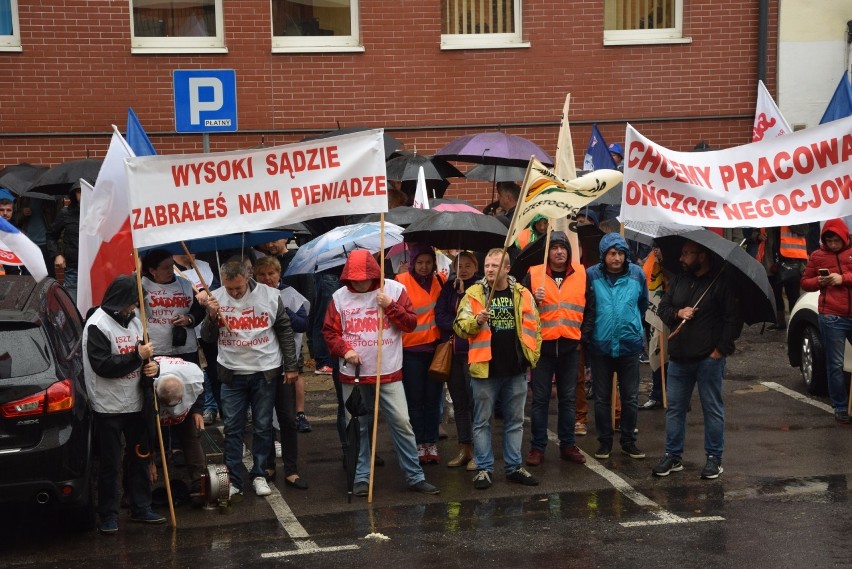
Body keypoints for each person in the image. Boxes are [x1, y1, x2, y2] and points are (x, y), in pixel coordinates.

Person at [322, 250, 440, 496]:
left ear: (374, 274)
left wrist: (391, 306)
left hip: (388, 371)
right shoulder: (339, 297)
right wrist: (345, 351)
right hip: (353, 373)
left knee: (402, 423)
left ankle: (414, 476)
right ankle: (362, 477)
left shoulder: (393, 290)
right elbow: (330, 333)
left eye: (364, 278)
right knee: (359, 426)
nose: (359, 282)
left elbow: (410, 324)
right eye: (354, 278)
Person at [201, 260, 300, 498]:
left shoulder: (270, 295)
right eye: (229, 288)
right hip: (232, 372)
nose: (234, 293)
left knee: (263, 426)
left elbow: (285, 330)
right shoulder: (215, 298)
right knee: (233, 427)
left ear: (247, 278)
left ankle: (259, 474)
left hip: (264, 370)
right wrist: (212, 316)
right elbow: (207, 338)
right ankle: (234, 479)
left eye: (238, 288)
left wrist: (291, 366)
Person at [82, 274, 165, 533]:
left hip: (136, 402)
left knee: (140, 457)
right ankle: (108, 514)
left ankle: (141, 507)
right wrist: (137, 356)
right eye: (131, 303)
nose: (134, 308)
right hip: (108, 406)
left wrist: (154, 367)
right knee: (110, 463)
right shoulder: (97, 325)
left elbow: (145, 358)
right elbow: (103, 366)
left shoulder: (135, 321)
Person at [454, 249, 541, 490]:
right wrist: (476, 321)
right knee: (482, 422)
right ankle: (484, 469)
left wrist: (531, 357)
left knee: (515, 421)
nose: (490, 269)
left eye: (495, 265)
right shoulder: (474, 293)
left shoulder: (522, 293)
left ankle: (514, 467)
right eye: (487, 265)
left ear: (507, 268)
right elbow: (460, 327)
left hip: (515, 369)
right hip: (485, 370)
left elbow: (536, 326)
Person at [653, 239, 741, 478]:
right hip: (679, 358)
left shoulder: (720, 283)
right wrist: (677, 313)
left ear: (702, 256)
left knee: (712, 409)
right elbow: (663, 308)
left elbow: (733, 320)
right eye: (681, 253)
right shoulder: (680, 278)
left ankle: (714, 458)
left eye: (687, 253)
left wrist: (720, 351)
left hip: (707, 359)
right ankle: (673, 456)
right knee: (675, 410)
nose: (682, 258)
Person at [522, 231, 587, 466]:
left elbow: (590, 308)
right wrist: (531, 296)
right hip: (543, 348)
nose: (559, 251)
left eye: (563, 248)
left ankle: (567, 445)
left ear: (569, 251)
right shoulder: (533, 274)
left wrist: (582, 337)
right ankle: (537, 448)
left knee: (568, 399)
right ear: (547, 252)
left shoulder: (581, 274)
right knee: (540, 400)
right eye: (555, 248)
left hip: (570, 347)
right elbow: (521, 308)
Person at [582, 233, 648, 461]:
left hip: (629, 345)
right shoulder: (591, 275)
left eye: (621, 253)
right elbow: (587, 305)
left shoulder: (637, 274)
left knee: (630, 397)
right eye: (612, 253)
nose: (617, 258)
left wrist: (633, 326)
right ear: (604, 255)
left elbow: (642, 304)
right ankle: (604, 442)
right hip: (601, 345)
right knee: (601, 398)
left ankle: (629, 441)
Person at [254, 255, 310, 489]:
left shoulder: (291, 295)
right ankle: (267, 465)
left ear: (279, 274)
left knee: (287, 418)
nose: (267, 278)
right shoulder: (251, 295)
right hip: (260, 366)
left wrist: (283, 311)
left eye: (271, 274)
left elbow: (303, 324)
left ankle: (291, 469)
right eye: (262, 275)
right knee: (263, 419)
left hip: (285, 366)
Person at [394, 244, 444, 464]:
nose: (424, 267)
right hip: (411, 351)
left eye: (428, 262)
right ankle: (417, 443)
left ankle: (430, 442)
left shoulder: (441, 281)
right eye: (420, 262)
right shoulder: (400, 282)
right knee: (414, 401)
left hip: (436, 350)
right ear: (412, 263)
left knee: (433, 400)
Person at [800, 219, 852, 424]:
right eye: (828, 240)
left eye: (836, 240)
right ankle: (839, 406)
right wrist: (818, 282)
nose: (832, 244)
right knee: (835, 364)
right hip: (832, 316)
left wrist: (843, 278)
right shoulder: (817, 256)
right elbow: (805, 281)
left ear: (844, 236)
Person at [435, 251, 480, 469]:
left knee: (476, 403)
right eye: (459, 265)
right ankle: (465, 448)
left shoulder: (481, 289)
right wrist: (459, 325)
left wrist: (463, 299)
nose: (463, 269)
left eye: (468, 265)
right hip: (453, 353)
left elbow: (476, 319)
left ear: (476, 267)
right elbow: (440, 315)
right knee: (460, 403)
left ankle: (480, 452)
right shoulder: (448, 288)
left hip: (473, 353)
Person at [140, 249, 206, 363]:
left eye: (172, 266)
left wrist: (189, 319)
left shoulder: (185, 284)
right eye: (165, 268)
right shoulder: (141, 286)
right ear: (152, 270)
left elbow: (199, 310)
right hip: (156, 348)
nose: (171, 271)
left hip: (186, 348)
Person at [152, 356, 207, 494]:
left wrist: (197, 411)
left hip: (183, 400)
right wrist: (149, 460)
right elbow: (143, 430)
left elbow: (199, 391)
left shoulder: (193, 377)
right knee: (152, 439)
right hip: (154, 406)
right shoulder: (147, 384)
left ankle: (200, 482)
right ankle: (142, 489)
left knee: (191, 436)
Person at [756, 225, 809, 331]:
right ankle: (779, 322)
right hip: (770, 262)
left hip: (791, 262)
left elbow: (804, 230)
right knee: (775, 295)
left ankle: (796, 323)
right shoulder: (766, 212)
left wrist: (787, 220)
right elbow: (754, 232)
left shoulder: (793, 213)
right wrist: (758, 236)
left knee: (793, 295)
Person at [640, 244, 670, 410]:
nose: (656, 248)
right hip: (652, 311)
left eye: (659, 246)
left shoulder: (676, 261)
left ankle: (671, 395)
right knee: (656, 350)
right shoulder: (651, 258)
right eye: (655, 245)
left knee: (670, 355)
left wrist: (664, 262)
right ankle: (657, 394)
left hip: (671, 313)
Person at [45, 185, 81, 300]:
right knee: (72, 307)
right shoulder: (66, 213)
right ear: (74, 194)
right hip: (73, 267)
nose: (82, 195)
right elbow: (51, 235)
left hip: (95, 268)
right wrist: (57, 254)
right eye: (79, 191)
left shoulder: (99, 213)